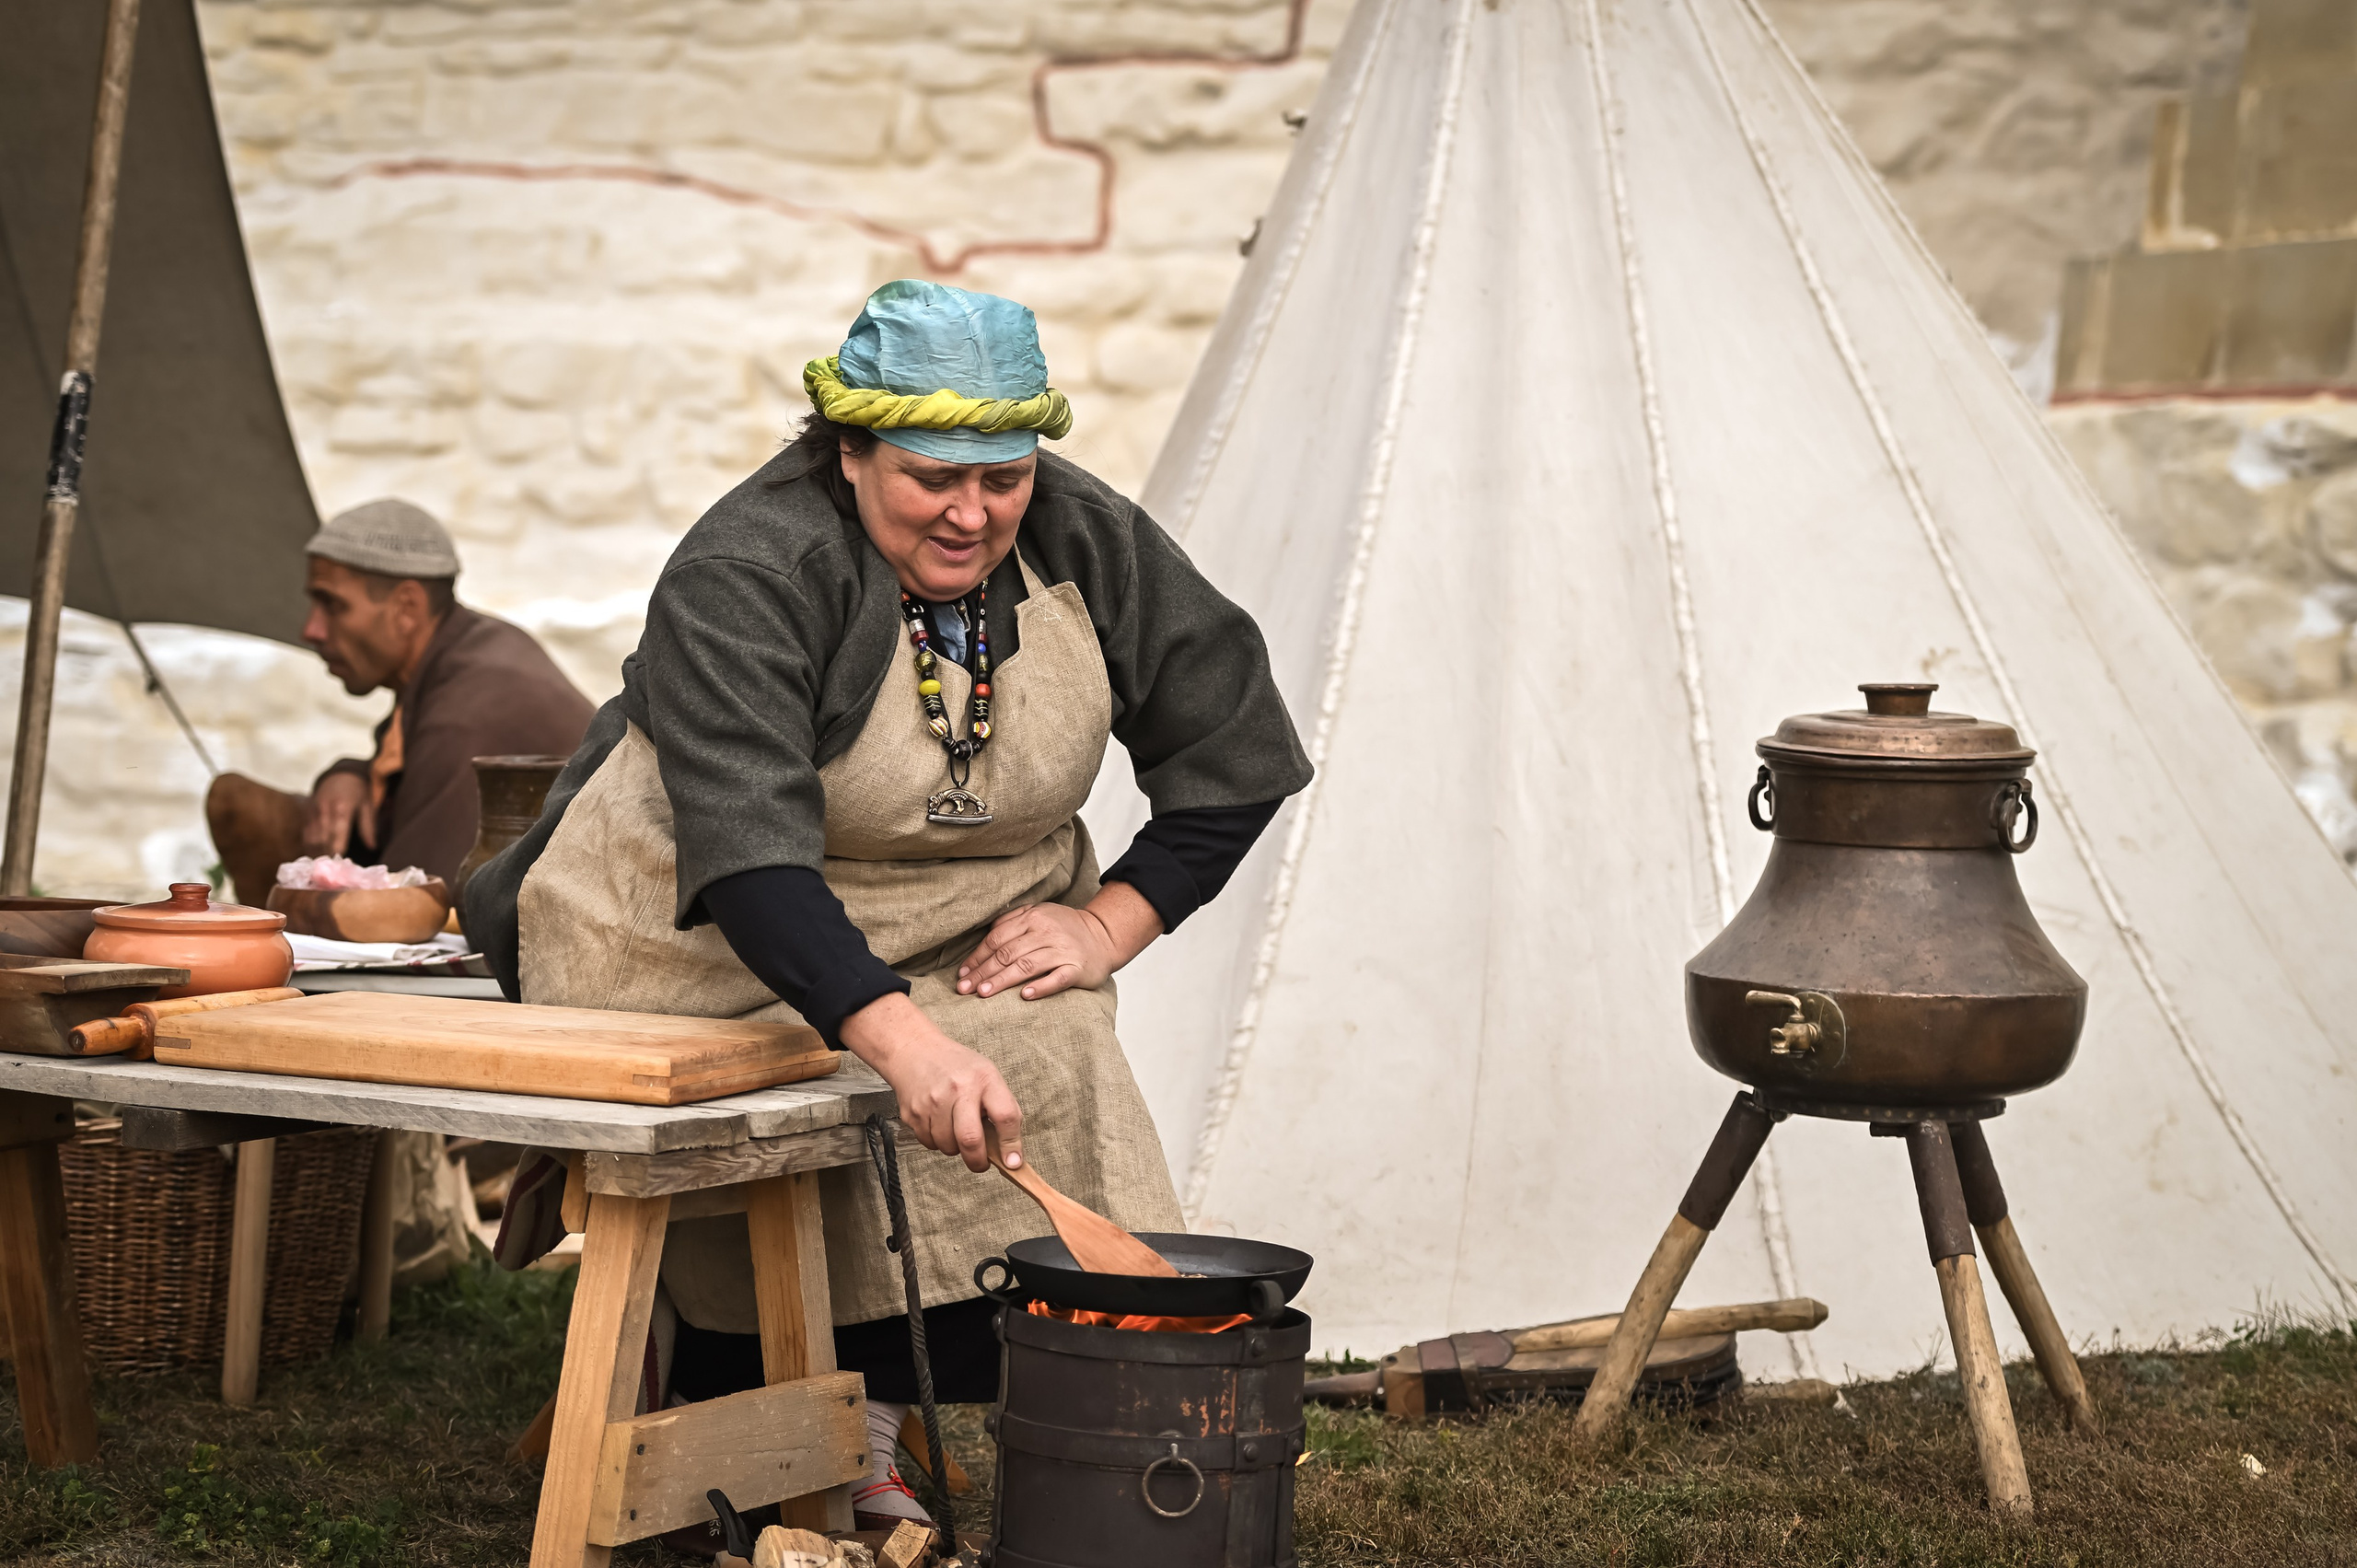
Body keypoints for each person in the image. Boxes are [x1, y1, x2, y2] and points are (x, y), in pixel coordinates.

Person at [465, 279, 1311, 1534]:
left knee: (1056, 1030)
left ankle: (892, 1415)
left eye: (1005, 475)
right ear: (849, 451)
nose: (974, 513)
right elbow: (750, 856)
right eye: (931, 477)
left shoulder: (1079, 536)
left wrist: (1110, 920)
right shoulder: (749, 568)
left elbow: (1236, 742)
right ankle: (747, 1392)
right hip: (682, 935)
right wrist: (900, 1035)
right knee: (889, 1069)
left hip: (940, 929)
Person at [205, 499, 597, 905]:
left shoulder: (467, 716)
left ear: (406, 608)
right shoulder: (467, 650)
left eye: (333, 605)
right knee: (239, 805)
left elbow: (414, 910)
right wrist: (353, 774)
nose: (311, 629)